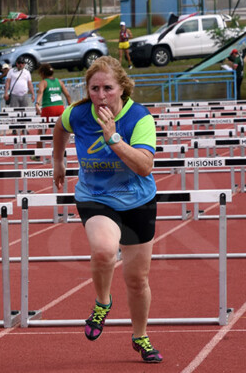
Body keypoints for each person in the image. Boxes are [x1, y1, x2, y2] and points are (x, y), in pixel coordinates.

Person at [52, 56, 162, 363]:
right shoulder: (78, 113)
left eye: (108, 88)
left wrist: (113, 138)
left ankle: (140, 335)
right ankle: (102, 303)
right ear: (87, 90)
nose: (101, 95)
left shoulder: (139, 118)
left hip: (137, 201)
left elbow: (144, 166)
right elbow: (60, 128)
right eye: (95, 88)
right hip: (95, 196)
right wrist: (58, 160)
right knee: (103, 250)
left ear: (122, 88)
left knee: (137, 279)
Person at [32, 63, 71, 160]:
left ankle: (37, 155)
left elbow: (40, 93)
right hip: (59, 107)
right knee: (61, 131)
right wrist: (71, 107)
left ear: (42, 73)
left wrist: (37, 104)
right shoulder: (60, 82)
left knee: (41, 132)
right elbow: (68, 95)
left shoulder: (43, 82)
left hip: (48, 108)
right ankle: (61, 153)